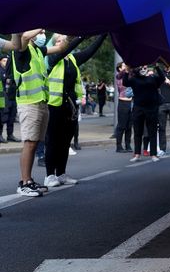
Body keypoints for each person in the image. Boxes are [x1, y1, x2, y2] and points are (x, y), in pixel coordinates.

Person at [10, 30, 71, 196]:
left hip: (41, 102)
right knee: (29, 143)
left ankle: (29, 180)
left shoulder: (38, 50)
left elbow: (61, 48)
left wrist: (67, 34)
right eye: (40, 31)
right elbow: (22, 37)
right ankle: (24, 182)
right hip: (29, 103)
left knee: (35, 143)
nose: (43, 33)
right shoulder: (21, 50)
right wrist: (44, 20)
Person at [43, 35, 106, 187]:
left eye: (63, 40)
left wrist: (103, 34)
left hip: (70, 106)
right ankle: (49, 175)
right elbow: (67, 48)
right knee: (53, 141)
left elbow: (89, 51)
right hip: (54, 105)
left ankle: (61, 173)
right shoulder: (50, 58)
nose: (62, 42)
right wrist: (81, 35)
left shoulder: (71, 59)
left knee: (65, 141)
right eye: (58, 41)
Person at [123, 64, 165, 162]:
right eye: (141, 67)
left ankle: (153, 154)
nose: (143, 69)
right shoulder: (134, 79)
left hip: (152, 108)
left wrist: (157, 67)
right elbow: (125, 82)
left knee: (152, 132)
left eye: (145, 67)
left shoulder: (153, 78)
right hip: (138, 108)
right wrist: (126, 70)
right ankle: (137, 154)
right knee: (138, 132)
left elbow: (162, 79)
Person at [114, 62, 133, 153]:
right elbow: (121, 76)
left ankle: (128, 145)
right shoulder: (119, 76)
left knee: (129, 126)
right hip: (123, 103)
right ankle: (118, 146)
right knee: (121, 126)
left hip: (131, 103)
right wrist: (126, 69)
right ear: (119, 68)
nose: (126, 67)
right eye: (124, 66)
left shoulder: (129, 75)